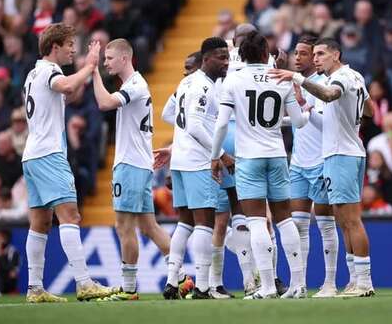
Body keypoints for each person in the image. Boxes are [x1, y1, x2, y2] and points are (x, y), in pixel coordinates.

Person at [270, 38, 376, 297]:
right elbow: (370, 110)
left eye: (321, 54)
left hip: (342, 153)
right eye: (314, 54)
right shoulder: (355, 77)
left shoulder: (340, 77)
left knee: (350, 219)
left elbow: (330, 95)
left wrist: (298, 79)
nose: (316, 58)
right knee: (343, 219)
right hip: (340, 153)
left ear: (336, 55)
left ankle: (364, 282)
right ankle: (355, 280)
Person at [211, 31, 309, 299]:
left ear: (241, 55)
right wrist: (307, 108)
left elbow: (221, 124)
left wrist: (214, 156)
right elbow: (299, 122)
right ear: (266, 53)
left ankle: (266, 286)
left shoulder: (234, 80)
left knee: (255, 222)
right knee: (285, 220)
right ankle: (298, 284)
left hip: (249, 159)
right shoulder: (281, 78)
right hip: (277, 155)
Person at [22, 23, 115, 303]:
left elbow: (67, 93)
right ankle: (84, 283)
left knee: (40, 222)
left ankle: (34, 287)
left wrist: (87, 73)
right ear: (55, 47)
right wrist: (89, 66)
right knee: (70, 216)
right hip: (50, 154)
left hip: (32, 155)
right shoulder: (52, 71)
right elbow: (64, 85)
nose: (73, 49)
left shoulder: (32, 73)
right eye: (70, 45)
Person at [90, 39, 173, 300]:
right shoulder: (134, 85)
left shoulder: (135, 85)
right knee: (149, 226)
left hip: (130, 165)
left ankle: (129, 289)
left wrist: (92, 71)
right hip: (138, 163)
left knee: (124, 226)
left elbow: (104, 103)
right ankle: (181, 279)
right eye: (103, 59)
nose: (105, 63)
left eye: (109, 58)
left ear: (125, 58)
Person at [158, 37, 232, 300]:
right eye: (221, 57)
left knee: (185, 222)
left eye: (227, 57)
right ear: (206, 59)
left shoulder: (186, 81)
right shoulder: (202, 86)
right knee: (205, 222)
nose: (226, 62)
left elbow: (169, 113)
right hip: (199, 162)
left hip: (180, 159)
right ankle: (202, 286)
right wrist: (221, 154)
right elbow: (195, 126)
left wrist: (182, 137)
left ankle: (170, 281)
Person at [287, 35, 339, 297]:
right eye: (296, 53)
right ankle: (299, 285)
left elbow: (322, 122)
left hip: (321, 162)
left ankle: (329, 282)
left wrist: (301, 104)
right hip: (297, 164)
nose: (298, 58)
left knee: (326, 225)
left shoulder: (324, 84)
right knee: (298, 227)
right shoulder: (292, 84)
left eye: (304, 54)